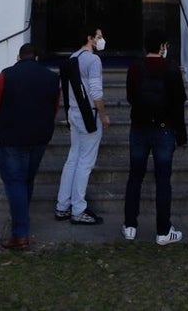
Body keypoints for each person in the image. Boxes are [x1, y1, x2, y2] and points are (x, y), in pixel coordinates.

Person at [0, 43, 60, 250]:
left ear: (18, 57)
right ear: (36, 58)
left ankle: (20, 234)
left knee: (15, 181)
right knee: (27, 179)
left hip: (12, 135)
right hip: (39, 137)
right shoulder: (52, 78)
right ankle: (22, 220)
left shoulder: (6, 75)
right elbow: (54, 106)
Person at [122, 29, 187, 245]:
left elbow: (130, 95)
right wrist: (180, 131)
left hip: (139, 128)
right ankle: (163, 230)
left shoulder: (134, 67)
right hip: (164, 128)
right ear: (162, 46)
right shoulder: (171, 68)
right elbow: (179, 101)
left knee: (135, 177)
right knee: (163, 181)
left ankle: (130, 225)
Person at [55, 24, 110, 225]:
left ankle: (63, 205)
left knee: (73, 159)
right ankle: (78, 208)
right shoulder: (93, 60)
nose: (101, 40)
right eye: (99, 36)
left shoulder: (72, 59)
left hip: (74, 112)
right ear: (90, 38)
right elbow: (96, 91)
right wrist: (103, 114)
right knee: (85, 162)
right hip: (89, 114)